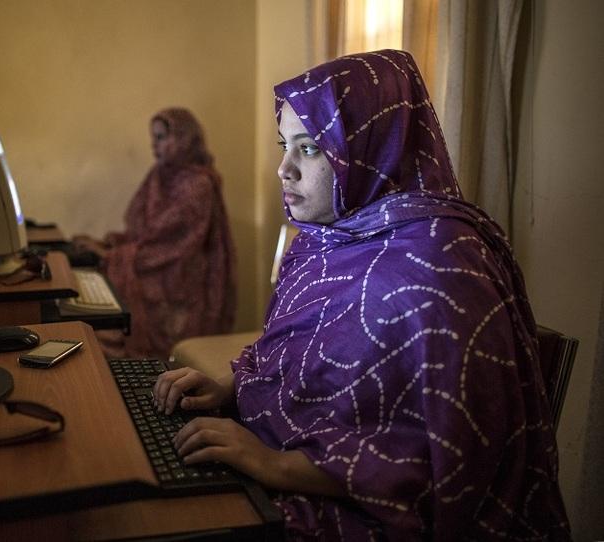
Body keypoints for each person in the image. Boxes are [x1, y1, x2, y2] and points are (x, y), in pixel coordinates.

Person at [153, 50, 570, 540]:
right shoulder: (325, 238)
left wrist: (271, 464)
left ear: (376, 145)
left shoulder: (438, 268)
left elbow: (440, 460)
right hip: (277, 456)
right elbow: (295, 357)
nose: (283, 169)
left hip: (367, 514)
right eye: (284, 144)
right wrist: (230, 386)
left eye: (309, 149)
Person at [75, 108, 236, 359]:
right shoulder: (159, 174)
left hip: (179, 284)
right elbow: (146, 234)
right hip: (157, 270)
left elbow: (171, 247)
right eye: (153, 138)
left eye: (161, 137)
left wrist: (111, 255)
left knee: (97, 335)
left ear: (184, 138)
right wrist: (108, 243)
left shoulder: (198, 185)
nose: (154, 145)